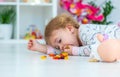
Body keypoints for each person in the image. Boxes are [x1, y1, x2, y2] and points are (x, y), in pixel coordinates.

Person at [27, 13, 120, 62]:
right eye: (57, 47)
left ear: (70, 28)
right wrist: (40, 47)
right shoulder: (72, 42)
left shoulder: (84, 31)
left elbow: (97, 48)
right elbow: (63, 52)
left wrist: (75, 51)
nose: (61, 47)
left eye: (59, 41)